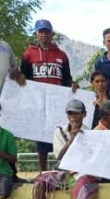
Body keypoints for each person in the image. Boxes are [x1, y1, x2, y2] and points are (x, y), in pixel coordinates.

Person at [31, 99, 99, 199]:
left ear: (84, 114)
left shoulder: (91, 133)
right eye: (70, 113)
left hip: (81, 169)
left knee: (87, 184)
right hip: (63, 170)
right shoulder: (60, 131)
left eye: (77, 113)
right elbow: (59, 157)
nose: (74, 116)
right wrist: (72, 140)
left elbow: (90, 158)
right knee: (38, 185)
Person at [19, 19, 76, 172]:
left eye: (47, 32)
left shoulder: (61, 55)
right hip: (38, 102)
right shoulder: (29, 54)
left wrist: (73, 84)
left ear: (52, 34)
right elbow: (24, 76)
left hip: (57, 101)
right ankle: (42, 170)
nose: (44, 35)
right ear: (36, 34)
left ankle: (64, 167)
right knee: (41, 134)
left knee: (60, 132)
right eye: (41, 32)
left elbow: (66, 78)